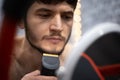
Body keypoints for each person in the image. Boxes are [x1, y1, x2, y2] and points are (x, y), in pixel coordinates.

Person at [8, 0, 78, 80]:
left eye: (67, 17)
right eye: (45, 15)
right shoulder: (4, 57)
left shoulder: (78, 62)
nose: (58, 27)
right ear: (21, 19)